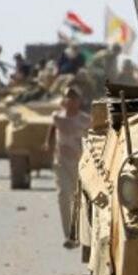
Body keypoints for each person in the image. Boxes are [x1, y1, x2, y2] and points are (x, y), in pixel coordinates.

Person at [46, 87, 91, 248]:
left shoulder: (85, 119)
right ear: (64, 100)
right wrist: (48, 143)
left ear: (79, 101)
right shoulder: (57, 117)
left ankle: (83, 233)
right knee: (63, 196)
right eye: (68, 98)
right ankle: (69, 235)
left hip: (80, 163)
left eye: (74, 98)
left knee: (80, 199)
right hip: (61, 162)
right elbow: (52, 128)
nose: (71, 101)